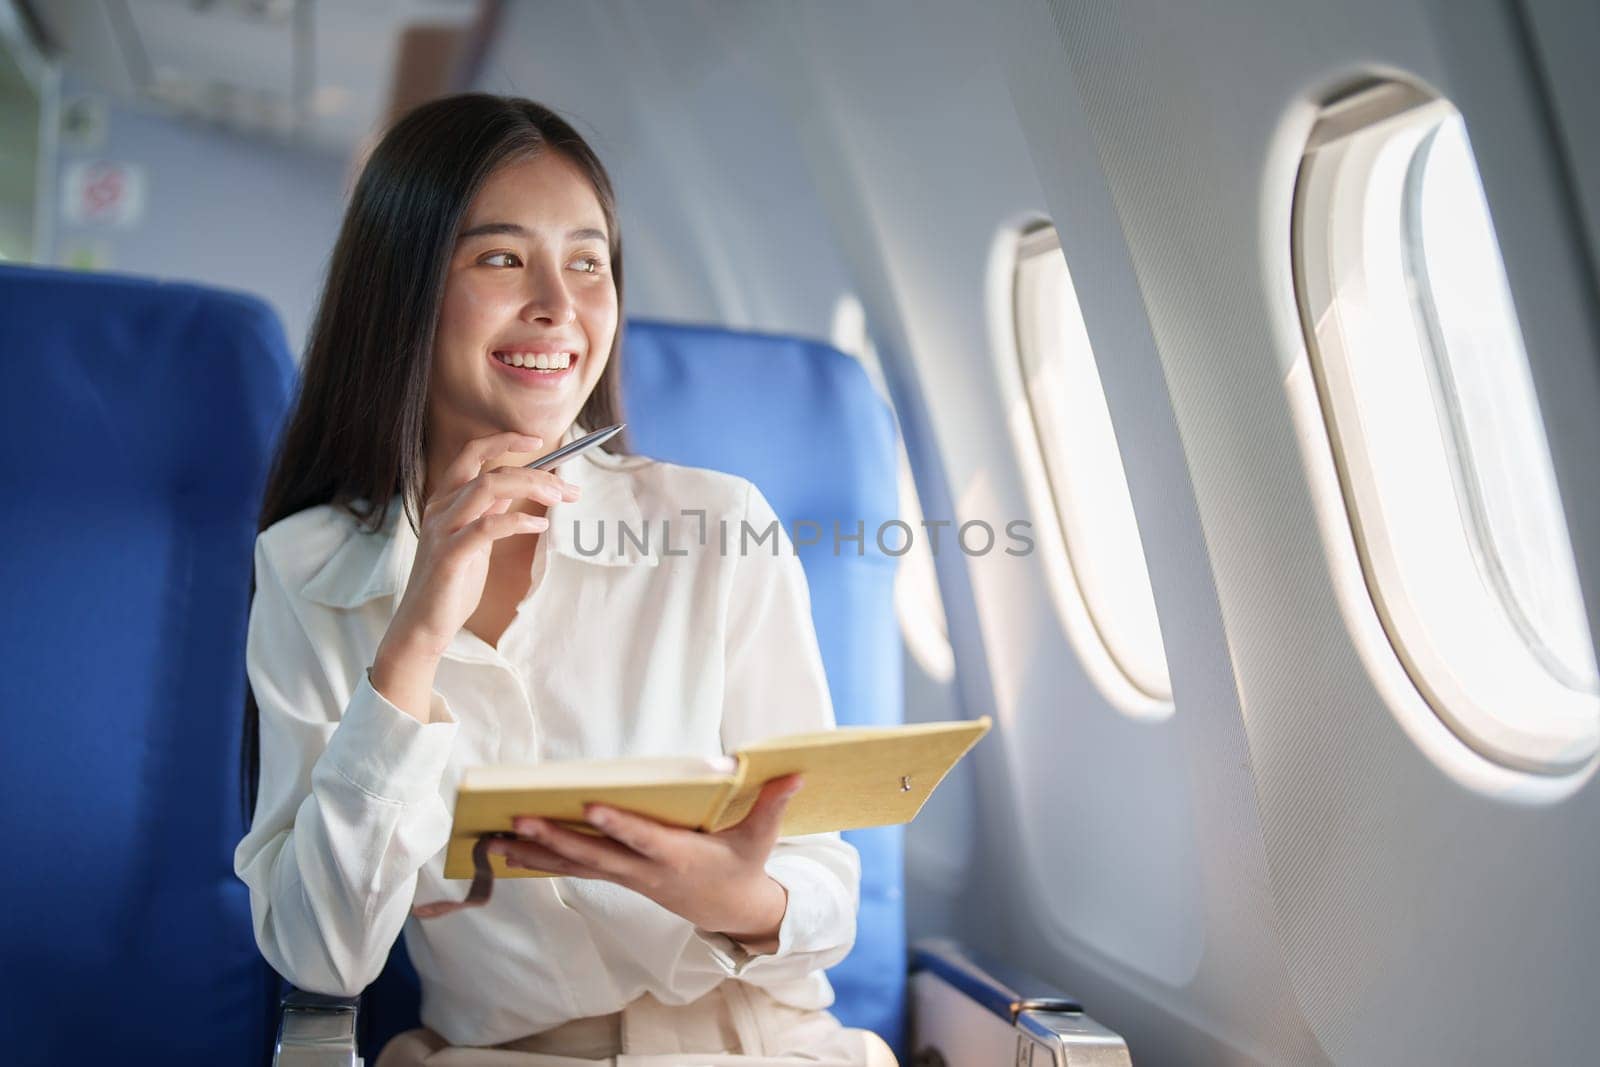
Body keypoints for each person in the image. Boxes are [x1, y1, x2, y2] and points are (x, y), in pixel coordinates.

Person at [233, 93, 897, 1066]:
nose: (559, 304)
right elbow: (321, 953)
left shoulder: (715, 526)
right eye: (502, 257)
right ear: (403, 286)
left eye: (588, 262)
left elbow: (824, 885)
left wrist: (734, 897)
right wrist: (415, 634)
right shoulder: (309, 569)